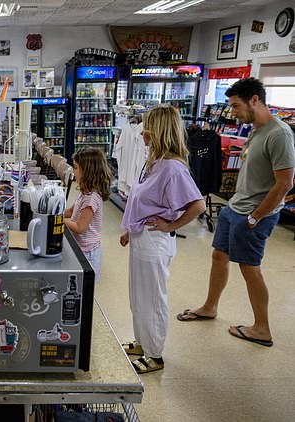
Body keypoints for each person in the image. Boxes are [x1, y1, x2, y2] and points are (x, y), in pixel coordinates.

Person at [177, 78, 295, 348]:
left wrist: (256, 216)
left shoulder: (280, 134)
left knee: (249, 267)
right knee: (219, 256)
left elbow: (286, 183)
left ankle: (262, 328)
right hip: (235, 207)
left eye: (236, 106)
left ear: (255, 100)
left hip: (254, 214)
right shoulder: (255, 129)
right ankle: (210, 306)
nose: (232, 112)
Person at [119, 104, 206, 374]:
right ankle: (142, 342)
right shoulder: (153, 161)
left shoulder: (172, 168)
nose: (142, 131)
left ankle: (155, 355)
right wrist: (129, 228)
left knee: (153, 298)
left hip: (155, 241)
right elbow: (141, 199)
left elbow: (198, 205)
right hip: (141, 238)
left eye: (147, 126)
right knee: (138, 296)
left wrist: (172, 224)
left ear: (159, 131)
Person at [64, 148, 113, 283]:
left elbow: (80, 227)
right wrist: (55, 214)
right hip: (81, 249)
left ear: (87, 171)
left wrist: (58, 221)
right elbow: (70, 212)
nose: (74, 171)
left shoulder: (91, 198)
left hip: (88, 254)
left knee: (84, 291)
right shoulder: (85, 192)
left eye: (76, 168)